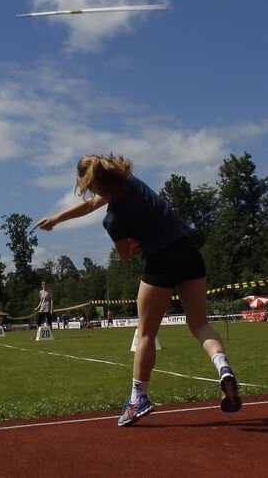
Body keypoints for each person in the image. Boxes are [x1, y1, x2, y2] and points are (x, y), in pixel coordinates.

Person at [33, 154, 242, 426]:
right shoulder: (131, 182)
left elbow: (125, 256)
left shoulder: (113, 219)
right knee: (199, 323)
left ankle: (137, 399)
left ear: (91, 184)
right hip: (189, 252)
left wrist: (131, 243)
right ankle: (222, 366)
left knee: (145, 332)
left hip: (160, 261)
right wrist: (57, 218)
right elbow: (91, 205)